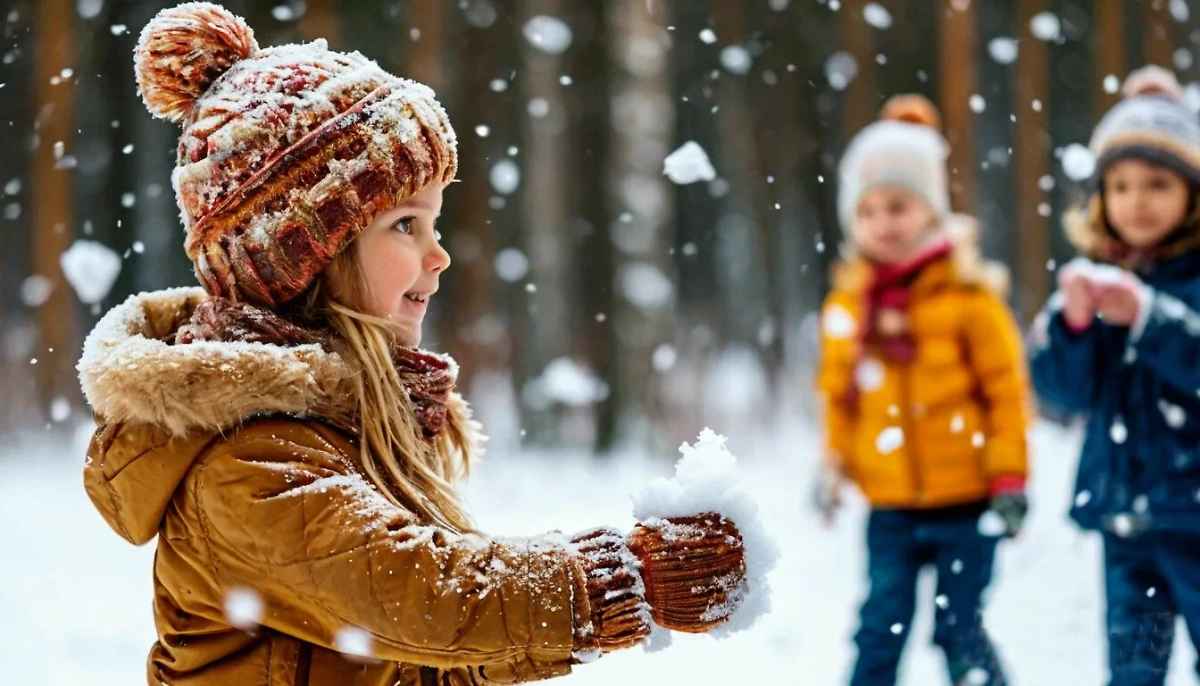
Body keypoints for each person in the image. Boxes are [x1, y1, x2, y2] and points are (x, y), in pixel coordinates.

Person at [78, 4, 746, 684]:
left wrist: (597, 611)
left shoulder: (347, 426)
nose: (439, 255)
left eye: (434, 222)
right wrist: (620, 579)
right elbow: (427, 596)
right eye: (404, 225)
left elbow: (425, 658)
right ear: (306, 256)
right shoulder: (247, 459)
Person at [815, 94, 1030, 686]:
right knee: (880, 624)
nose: (883, 222)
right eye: (869, 210)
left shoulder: (970, 300)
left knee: (959, 626)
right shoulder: (848, 307)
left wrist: (1009, 477)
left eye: (899, 205)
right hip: (890, 507)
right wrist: (833, 463)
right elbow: (838, 395)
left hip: (968, 501)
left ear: (932, 211)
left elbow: (1006, 393)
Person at [1029, 65, 1200, 686]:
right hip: (1126, 526)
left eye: (1158, 182)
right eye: (1121, 184)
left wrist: (1150, 321)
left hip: (1195, 515)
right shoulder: (1093, 280)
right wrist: (1075, 326)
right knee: (1132, 670)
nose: (1138, 200)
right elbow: (1061, 393)